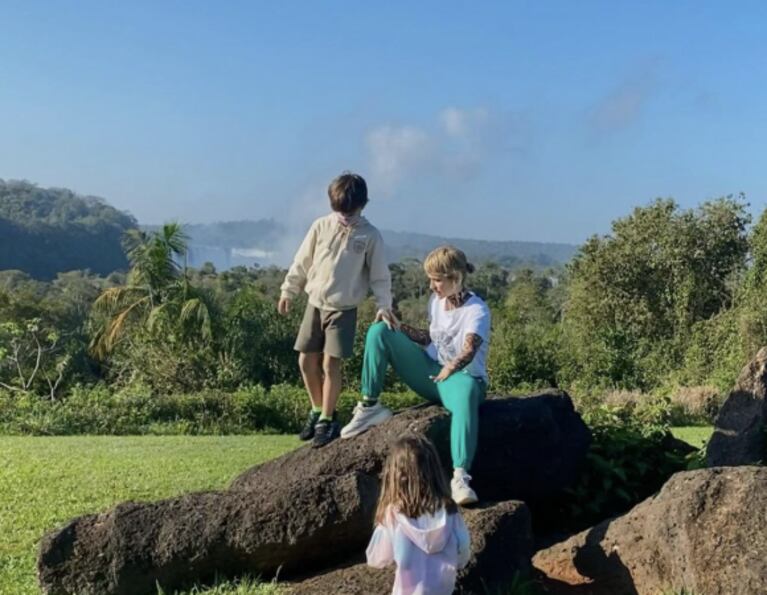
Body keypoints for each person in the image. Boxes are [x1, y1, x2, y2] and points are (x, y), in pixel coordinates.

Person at [341, 245, 490, 504]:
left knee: (465, 392)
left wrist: (450, 368)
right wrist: (397, 326)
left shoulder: (477, 310)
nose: (432, 286)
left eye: (437, 280)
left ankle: (460, 477)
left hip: (463, 379)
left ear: (456, 277)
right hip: (432, 374)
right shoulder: (437, 303)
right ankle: (369, 406)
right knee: (379, 331)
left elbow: (469, 348)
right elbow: (428, 339)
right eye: (430, 279)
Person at [278, 172, 398, 448]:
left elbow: (380, 275)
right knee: (305, 361)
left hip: (343, 309)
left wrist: (384, 306)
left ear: (362, 205)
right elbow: (302, 261)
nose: (343, 214)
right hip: (315, 304)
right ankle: (317, 409)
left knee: (331, 363)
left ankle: (328, 419)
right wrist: (288, 290)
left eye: (348, 209)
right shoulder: (321, 226)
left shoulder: (369, 236)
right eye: (338, 209)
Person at [366, 434, 471, 595]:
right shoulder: (449, 510)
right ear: (434, 471)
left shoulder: (393, 513)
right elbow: (463, 551)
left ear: (396, 475)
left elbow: (376, 558)